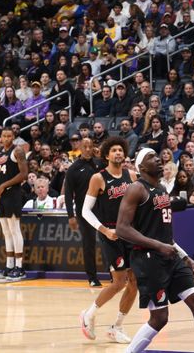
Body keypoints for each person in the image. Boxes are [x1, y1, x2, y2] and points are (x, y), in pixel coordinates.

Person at [116, 149, 194, 353]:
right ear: (141, 167)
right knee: (159, 318)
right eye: (151, 157)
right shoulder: (136, 189)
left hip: (169, 257)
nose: (158, 158)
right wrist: (158, 246)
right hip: (148, 259)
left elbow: (164, 235)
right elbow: (122, 228)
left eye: (157, 156)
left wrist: (185, 257)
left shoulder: (163, 190)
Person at [79, 137, 138, 345]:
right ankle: (89, 314)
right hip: (110, 234)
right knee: (119, 282)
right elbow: (85, 211)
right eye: (114, 150)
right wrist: (104, 230)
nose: (118, 153)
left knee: (134, 283)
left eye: (121, 150)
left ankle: (117, 327)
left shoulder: (131, 175)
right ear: (106, 155)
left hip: (129, 233)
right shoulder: (98, 178)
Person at [0, 128, 29, 281]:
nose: (6, 138)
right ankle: (9, 266)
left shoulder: (17, 151)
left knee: (15, 230)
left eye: (9, 136)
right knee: (6, 231)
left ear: (13, 137)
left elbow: (24, 174)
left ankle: (20, 267)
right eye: (4, 136)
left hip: (13, 194)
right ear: (1, 137)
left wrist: (5, 185)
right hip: (0, 195)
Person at [64, 137, 102, 286]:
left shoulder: (99, 164)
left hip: (102, 209)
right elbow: (68, 193)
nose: (87, 149)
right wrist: (70, 216)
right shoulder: (74, 168)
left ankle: (114, 274)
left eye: (90, 146)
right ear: (79, 146)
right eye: (84, 146)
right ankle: (92, 277)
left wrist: (100, 157)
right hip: (83, 211)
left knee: (109, 242)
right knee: (89, 244)